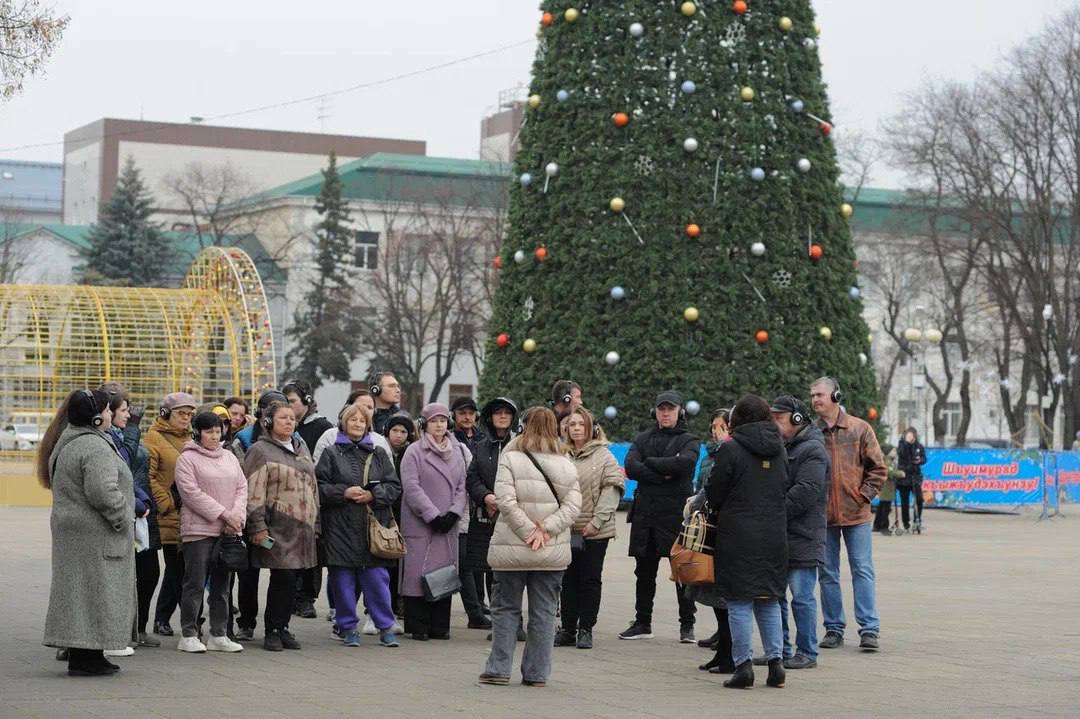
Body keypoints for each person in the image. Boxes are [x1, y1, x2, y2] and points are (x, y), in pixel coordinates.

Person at [478, 407, 581, 687]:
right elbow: (574, 507)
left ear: (523, 426)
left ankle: (499, 668)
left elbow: (505, 501)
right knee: (545, 612)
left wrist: (528, 532)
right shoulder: (566, 461)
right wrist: (545, 531)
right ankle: (536, 674)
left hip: (511, 547)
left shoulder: (510, 457)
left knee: (505, 609)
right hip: (551, 550)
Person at [40, 389, 135, 676]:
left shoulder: (67, 441)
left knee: (78, 595)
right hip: (97, 535)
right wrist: (123, 517)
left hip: (74, 533)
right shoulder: (94, 447)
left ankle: (85, 653)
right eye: (107, 411)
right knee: (98, 594)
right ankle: (87, 657)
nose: (110, 415)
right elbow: (103, 491)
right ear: (95, 418)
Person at [707, 394, 788, 690]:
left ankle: (743, 667)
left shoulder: (731, 448)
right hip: (774, 533)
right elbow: (784, 485)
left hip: (738, 535)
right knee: (768, 598)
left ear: (737, 418)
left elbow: (715, 492)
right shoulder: (779, 448)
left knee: (739, 601)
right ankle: (776, 664)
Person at [316, 403, 402, 648]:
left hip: (372, 528)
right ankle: (347, 627)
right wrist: (343, 492)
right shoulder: (331, 453)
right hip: (340, 528)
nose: (357, 423)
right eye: (352, 419)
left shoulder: (379, 453)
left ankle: (385, 626)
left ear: (368, 425)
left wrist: (373, 495)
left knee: (377, 580)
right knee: (342, 581)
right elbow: (318, 488)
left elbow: (394, 487)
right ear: (344, 423)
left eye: (361, 421)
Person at [810, 377, 887, 651]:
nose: (815, 400)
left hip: (857, 515)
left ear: (835, 396)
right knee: (827, 573)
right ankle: (833, 628)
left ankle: (869, 629)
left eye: (820, 394)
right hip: (822, 516)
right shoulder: (811, 433)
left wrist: (863, 496)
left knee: (862, 570)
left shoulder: (859, 428)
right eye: (813, 396)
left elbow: (878, 468)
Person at [620, 390, 700, 642]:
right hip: (646, 515)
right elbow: (631, 466)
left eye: (671, 409)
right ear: (654, 411)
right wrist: (663, 471)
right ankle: (643, 622)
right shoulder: (643, 438)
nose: (665, 413)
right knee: (644, 571)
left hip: (675, 516)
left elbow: (685, 464)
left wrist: (650, 464)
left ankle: (687, 625)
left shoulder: (689, 439)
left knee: (682, 572)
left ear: (680, 412)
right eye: (661, 408)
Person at [243, 401, 320, 651]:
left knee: (294, 578)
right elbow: (253, 491)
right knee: (282, 577)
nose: (289, 422)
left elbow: (313, 486)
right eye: (283, 418)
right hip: (276, 527)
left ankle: (284, 627)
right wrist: (257, 527)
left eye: (291, 418)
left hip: (303, 529)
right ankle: (272, 630)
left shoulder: (302, 447)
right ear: (268, 423)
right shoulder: (260, 450)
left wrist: (316, 523)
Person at [173, 411, 247, 654]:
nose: (215, 436)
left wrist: (236, 517)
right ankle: (189, 633)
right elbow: (191, 494)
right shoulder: (187, 459)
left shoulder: (229, 457)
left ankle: (219, 634)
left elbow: (241, 487)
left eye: (218, 431)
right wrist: (224, 514)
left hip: (227, 531)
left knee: (222, 585)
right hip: (199, 530)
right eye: (209, 432)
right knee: (194, 582)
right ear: (198, 433)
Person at [399, 402, 470, 641]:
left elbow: (462, 486)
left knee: (443, 573)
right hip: (421, 523)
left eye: (442, 420)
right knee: (418, 574)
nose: (439, 425)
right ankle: (418, 625)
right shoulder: (414, 451)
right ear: (424, 425)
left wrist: (453, 513)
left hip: (447, 524)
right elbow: (411, 487)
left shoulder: (458, 451)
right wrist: (432, 514)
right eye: (434, 421)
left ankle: (440, 625)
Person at [554, 407, 624, 650]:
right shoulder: (559, 454)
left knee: (590, 580)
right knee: (567, 580)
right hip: (565, 529)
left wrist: (596, 522)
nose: (576, 428)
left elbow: (612, 489)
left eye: (580, 424)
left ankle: (586, 629)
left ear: (591, 428)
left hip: (595, 531)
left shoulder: (604, 456)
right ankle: (567, 629)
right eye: (571, 424)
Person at [769, 395, 829, 670]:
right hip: (781, 534)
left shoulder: (813, 450)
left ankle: (808, 652)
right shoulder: (780, 447)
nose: (774, 424)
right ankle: (780, 650)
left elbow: (806, 491)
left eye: (779, 418)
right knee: (776, 596)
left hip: (803, 534)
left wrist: (773, 511)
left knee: (802, 598)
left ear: (796, 418)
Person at [103, 385, 161, 652]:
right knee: (119, 578)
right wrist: (132, 429)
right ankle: (111, 632)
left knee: (149, 573)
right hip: (121, 512)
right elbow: (122, 463)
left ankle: (138, 628)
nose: (129, 414)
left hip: (140, 511)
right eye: (124, 409)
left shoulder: (121, 433)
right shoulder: (107, 438)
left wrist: (144, 499)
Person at [230, 389, 288, 641]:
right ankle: (246, 622)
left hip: (284, 517)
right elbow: (241, 477)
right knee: (249, 572)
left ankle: (279, 625)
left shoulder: (293, 438)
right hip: (251, 513)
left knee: (284, 572)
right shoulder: (243, 439)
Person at [146, 391, 198, 637]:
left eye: (189, 414)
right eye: (181, 414)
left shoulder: (192, 438)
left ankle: (162, 618)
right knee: (177, 569)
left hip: (191, 513)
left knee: (178, 569)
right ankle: (190, 619)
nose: (186, 418)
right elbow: (149, 476)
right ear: (166, 413)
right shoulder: (153, 438)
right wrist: (166, 502)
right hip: (169, 515)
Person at [465, 398, 519, 632]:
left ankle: (516, 624)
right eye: (498, 413)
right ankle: (500, 625)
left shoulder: (519, 445)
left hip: (513, 519)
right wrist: (486, 497)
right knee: (489, 571)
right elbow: (472, 478)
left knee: (512, 573)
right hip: (486, 518)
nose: (503, 417)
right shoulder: (481, 446)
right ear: (489, 417)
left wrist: (506, 501)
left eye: (507, 413)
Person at [282, 379, 333, 620]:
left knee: (312, 549)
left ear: (306, 402)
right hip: (287, 498)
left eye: (293, 401)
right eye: (286, 402)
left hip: (312, 496)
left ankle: (306, 598)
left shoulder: (322, 427)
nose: (289, 407)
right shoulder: (282, 427)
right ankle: (289, 596)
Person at [694, 408, 730, 654]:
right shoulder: (708, 455)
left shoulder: (731, 453)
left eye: (722, 427)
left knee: (723, 585)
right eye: (714, 427)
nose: (716, 432)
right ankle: (721, 629)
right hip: (706, 521)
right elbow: (700, 484)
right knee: (709, 583)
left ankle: (727, 636)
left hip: (725, 524)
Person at [313, 389, 392, 464]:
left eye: (370, 408)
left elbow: (388, 474)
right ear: (348, 408)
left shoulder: (380, 442)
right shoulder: (330, 436)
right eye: (360, 406)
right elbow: (319, 471)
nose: (365, 410)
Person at [896, 427, 928, 534]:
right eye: (908, 436)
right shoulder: (902, 445)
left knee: (919, 499)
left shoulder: (919, 446)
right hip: (904, 477)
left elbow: (924, 458)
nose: (910, 437)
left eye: (912, 436)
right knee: (904, 502)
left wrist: (920, 460)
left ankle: (917, 520)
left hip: (915, 476)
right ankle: (906, 523)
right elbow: (902, 454)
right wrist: (906, 443)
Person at [873, 444, 903, 535]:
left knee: (882, 506)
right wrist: (900, 473)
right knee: (885, 508)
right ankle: (884, 527)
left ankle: (877, 525)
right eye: (893, 451)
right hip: (887, 488)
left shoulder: (889, 461)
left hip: (886, 487)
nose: (895, 452)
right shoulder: (887, 461)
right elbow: (889, 472)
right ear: (888, 452)